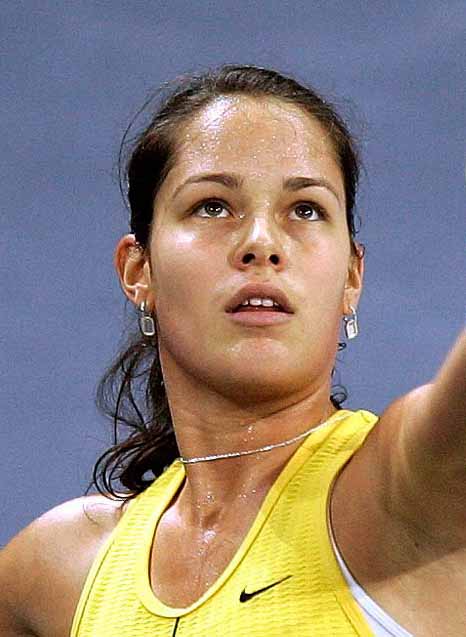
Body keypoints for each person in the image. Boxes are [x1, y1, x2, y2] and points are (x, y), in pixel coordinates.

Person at [1, 64, 465, 637]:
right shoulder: (54, 571)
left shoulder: (408, 486)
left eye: (305, 210)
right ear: (137, 269)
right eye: (214, 206)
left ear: (351, 277)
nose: (261, 244)